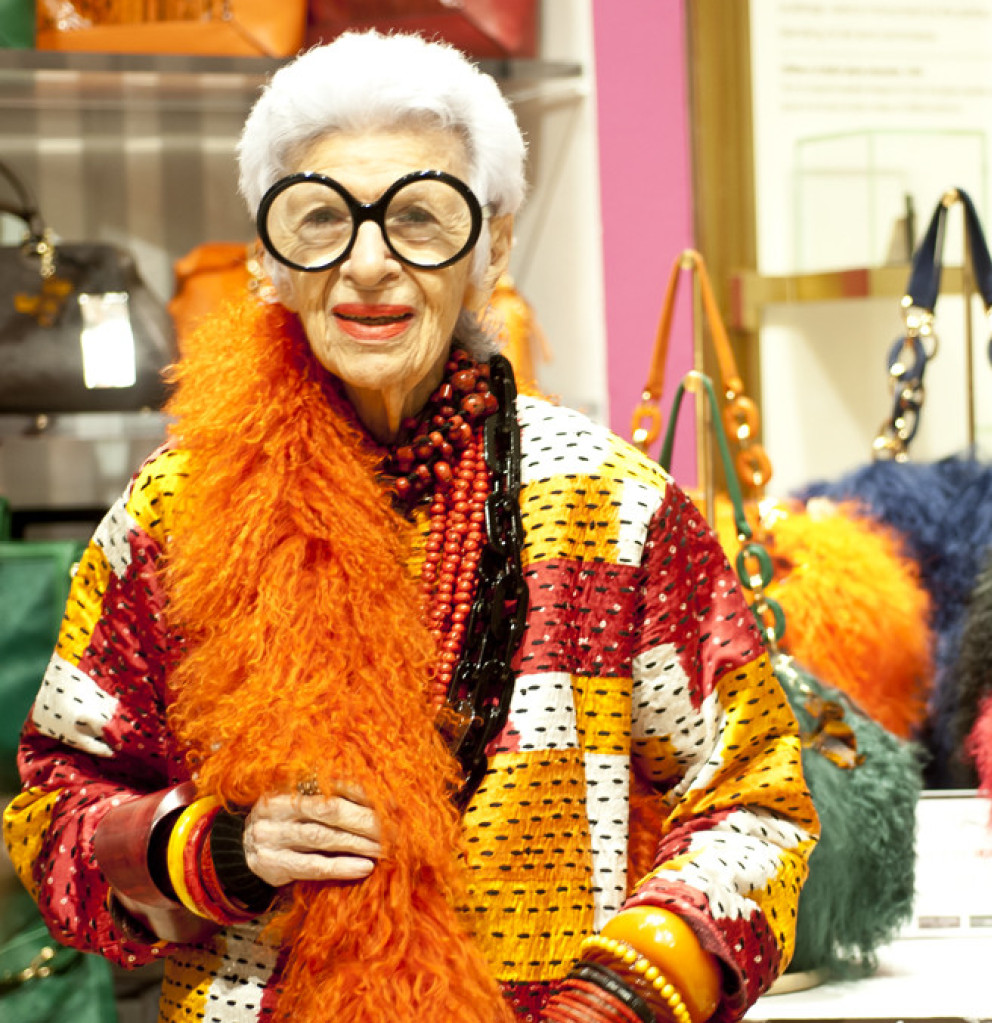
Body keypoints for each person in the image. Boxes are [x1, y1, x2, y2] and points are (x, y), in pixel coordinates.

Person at [2, 31, 817, 1023]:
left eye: (419, 217)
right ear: (267, 257)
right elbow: (54, 812)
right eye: (321, 219)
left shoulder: (613, 505)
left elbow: (753, 802)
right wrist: (216, 848)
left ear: (492, 248)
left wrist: (621, 998)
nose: (369, 264)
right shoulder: (172, 514)